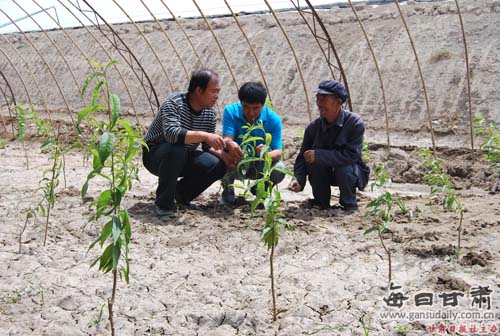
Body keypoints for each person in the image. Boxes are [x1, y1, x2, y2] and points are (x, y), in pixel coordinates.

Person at [142, 69, 233, 218]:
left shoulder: (209, 113)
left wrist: (226, 157)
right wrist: (205, 135)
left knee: (217, 164)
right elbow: (172, 135)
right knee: (176, 149)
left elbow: (207, 146)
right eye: (213, 92)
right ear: (199, 90)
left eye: (218, 92)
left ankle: (180, 195)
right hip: (156, 155)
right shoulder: (174, 103)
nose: (216, 96)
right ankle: (164, 204)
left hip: (182, 156)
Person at [288, 79, 370, 211]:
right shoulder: (313, 128)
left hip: (350, 173)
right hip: (325, 174)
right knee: (312, 162)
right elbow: (302, 157)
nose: (319, 104)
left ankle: (348, 204)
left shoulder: (354, 123)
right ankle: (321, 202)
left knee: (344, 169)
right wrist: (299, 179)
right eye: (318, 99)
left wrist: (320, 155)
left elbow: (351, 155)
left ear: (338, 102)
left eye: (324, 100)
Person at [220, 81, 285, 205]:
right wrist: (230, 144)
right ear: (241, 103)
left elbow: (278, 151)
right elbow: (227, 138)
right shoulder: (231, 111)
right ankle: (228, 194)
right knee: (222, 157)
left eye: (256, 108)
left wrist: (266, 153)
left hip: (259, 164)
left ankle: (260, 191)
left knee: (279, 169)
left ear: (263, 104)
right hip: (237, 162)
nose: (251, 113)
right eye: (246, 107)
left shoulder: (273, 119)